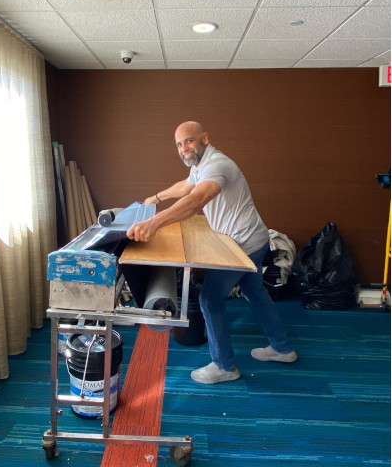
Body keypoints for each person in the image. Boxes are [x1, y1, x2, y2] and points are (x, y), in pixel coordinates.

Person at [126, 121, 297, 384]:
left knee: (209, 299)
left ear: (204, 138)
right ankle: (283, 348)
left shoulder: (217, 166)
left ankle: (224, 366)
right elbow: (186, 187)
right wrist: (156, 198)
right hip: (255, 239)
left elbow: (196, 200)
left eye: (189, 141)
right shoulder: (200, 165)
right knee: (255, 292)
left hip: (243, 246)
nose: (184, 148)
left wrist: (153, 223)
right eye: (179, 144)